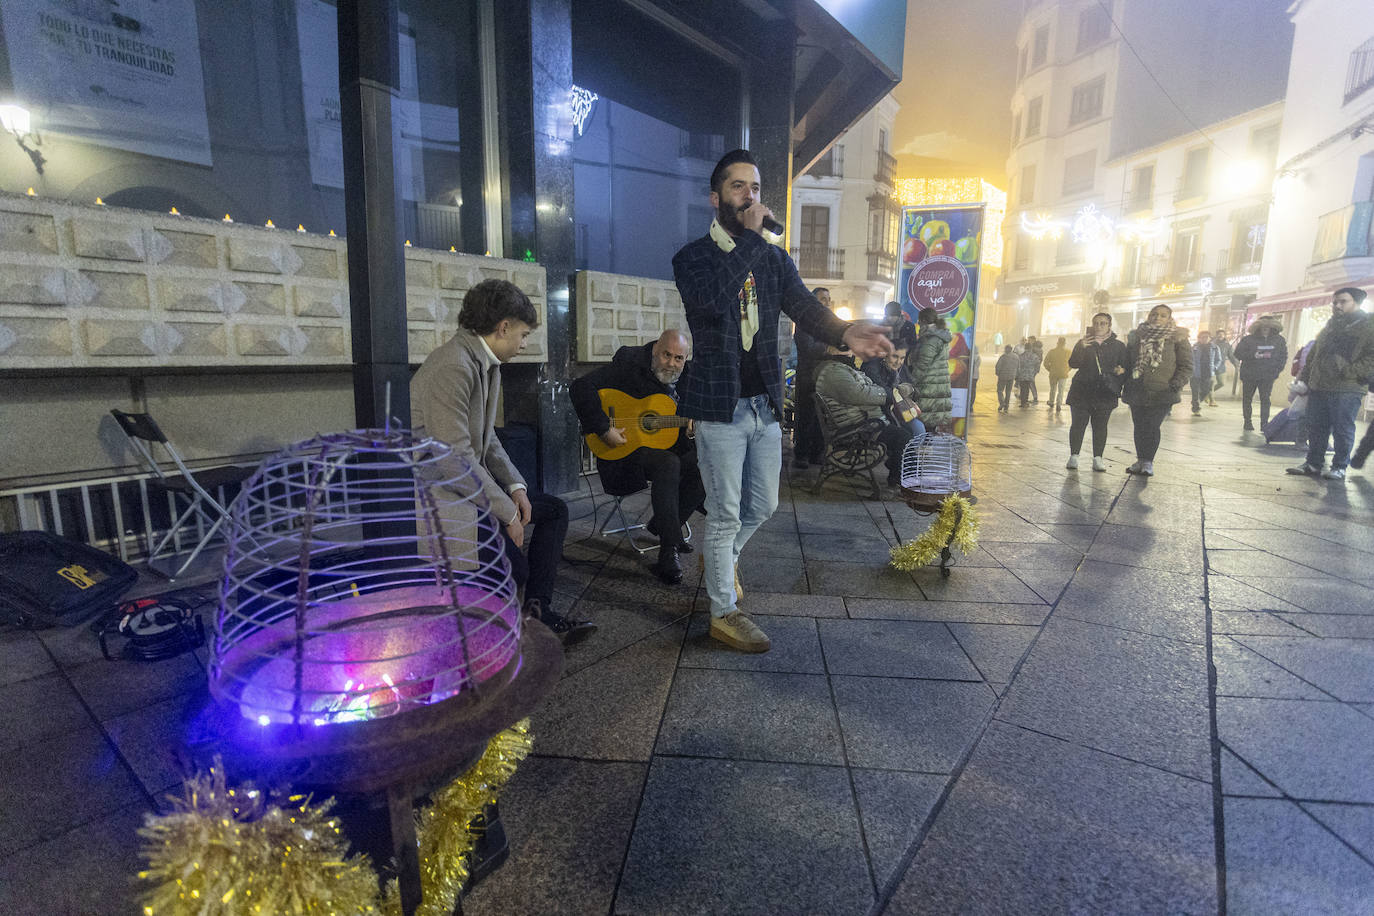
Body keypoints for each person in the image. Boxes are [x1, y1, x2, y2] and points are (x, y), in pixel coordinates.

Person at [673, 148, 891, 652]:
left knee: (765, 505)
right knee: (725, 515)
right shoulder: (693, 258)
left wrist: (846, 330)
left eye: (754, 187)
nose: (749, 195)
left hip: (764, 405)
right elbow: (711, 304)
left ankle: (720, 562)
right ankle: (723, 611)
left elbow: (804, 308)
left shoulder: (772, 258)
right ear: (715, 198)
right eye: (737, 187)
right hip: (719, 408)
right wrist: (750, 238)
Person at [412, 279, 595, 644]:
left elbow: (486, 438)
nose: (525, 344)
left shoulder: (482, 361)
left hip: (465, 488)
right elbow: (454, 457)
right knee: (515, 566)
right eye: (524, 334)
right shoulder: (454, 365)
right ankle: (490, 641)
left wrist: (515, 487)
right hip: (438, 497)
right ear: (504, 327)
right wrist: (506, 512)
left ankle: (539, 616)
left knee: (553, 510)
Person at [570, 330, 704, 585]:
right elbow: (580, 387)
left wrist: (691, 427)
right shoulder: (628, 365)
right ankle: (668, 550)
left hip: (663, 450)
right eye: (666, 355)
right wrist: (602, 428)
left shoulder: (688, 376)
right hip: (623, 453)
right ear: (655, 349)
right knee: (669, 463)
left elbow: (685, 420)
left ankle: (665, 525)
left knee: (706, 461)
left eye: (679, 358)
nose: (672, 364)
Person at [1286, 287, 1374, 481]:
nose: (1337, 306)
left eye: (1343, 301)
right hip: (1320, 385)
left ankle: (1339, 466)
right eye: (1335, 302)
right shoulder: (1331, 325)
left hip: (1347, 387)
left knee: (1342, 428)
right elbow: (1315, 355)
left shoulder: (1368, 326)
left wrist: (1348, 371)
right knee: (1316, 426)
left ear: (1356, 303)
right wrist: (1304, 378)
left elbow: (1371, 357)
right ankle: (1313, 463)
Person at [818, 347, 921, 486]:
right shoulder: (834, 371)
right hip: (856, 427)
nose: (849, 351)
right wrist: (887, 394)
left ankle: (904, 475)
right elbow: (858, 394)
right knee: (903, 437)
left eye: (848, 348)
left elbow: (868, 388)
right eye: (843, 349)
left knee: (906, 432)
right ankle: (901, 480)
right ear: (830, 350)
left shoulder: (841, 368)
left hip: (862, 421)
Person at [1122, 304, 1192, 476]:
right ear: (1149, 316)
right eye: (1154, 314)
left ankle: (1148, 461)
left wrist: (1176, 384)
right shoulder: (1137, 336)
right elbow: (1127, 361)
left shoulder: (1178, 338)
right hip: (1138, 389)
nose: (1157, 318)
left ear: (1169, 318)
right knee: (1139, 426)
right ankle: (1140, 460)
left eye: (1162, 315)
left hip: (1163, 391)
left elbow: (1187, 365)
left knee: (1152, 426)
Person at [1064, 313, 1128, 471]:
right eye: (1096, 323)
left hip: (1105, 392)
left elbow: (1125, 366)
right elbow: (1073, 363)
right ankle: (1074, 456)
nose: (1099, 326)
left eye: (1103, 323)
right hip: (1082, 390)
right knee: (1078, 425)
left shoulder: (1118, 346)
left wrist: (1120, 371)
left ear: (1109, 326)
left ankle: (1098, 458)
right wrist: (1081, 347)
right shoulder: (1084, 342)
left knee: (1100, 426)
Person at [790, 287, 833, 469]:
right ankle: (802, 454)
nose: (827, 302)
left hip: (824, 377)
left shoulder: (829, 321)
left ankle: (818, 453)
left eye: (828, 299)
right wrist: (828, 346)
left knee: (821, 417)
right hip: (808, 376)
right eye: (823, 299)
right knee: (806, 416)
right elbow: (807, 347)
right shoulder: (805, 321)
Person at [1233, 316, 1287, 432]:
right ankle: (1247, 422)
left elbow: (1283, 356)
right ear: (1258, 327)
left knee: (1265, 399)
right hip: (1249, 374)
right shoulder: (1248, 339)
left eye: (1268, 327)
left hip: (1268, 375)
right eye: (1263, 326)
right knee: (1247, 398)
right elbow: (1238, 353)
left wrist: (1277, 371)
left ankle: (1264, 424)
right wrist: (1253, 355)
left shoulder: (1279, 340)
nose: (1265, 329)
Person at [909, 307, 953, 430]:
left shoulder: (931, 339)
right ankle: (927, 446)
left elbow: (922, 365)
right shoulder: (938, 336)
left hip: (929, 386)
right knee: (931, 422)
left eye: (919, 321)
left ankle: (924, 447)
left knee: (926, 421)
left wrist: (911, 382)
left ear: (923, 320)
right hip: (936, 384)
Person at [1188, 330, 1222, 415]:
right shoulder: (1194, 348)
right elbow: (1189, 359)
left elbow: (1219, 359)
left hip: (1208, 373)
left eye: (1207, 337)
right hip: (1196, 373)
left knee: (1206, 391)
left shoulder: (1214, 347)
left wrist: (1215, 367)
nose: (1205, 339)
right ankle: (1196, 408)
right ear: (1199, 338)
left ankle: (1196, 401)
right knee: (1195, 391)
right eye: (1202, 337)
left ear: (1210, 338)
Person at [1044, 337, 1071, 414]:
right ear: (1065, 343)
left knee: (1053, 388)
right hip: (1063, 374)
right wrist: (1067, 370)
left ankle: (1051, 402)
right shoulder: (1068, 352)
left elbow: (1045, 363)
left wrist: (1050, 369)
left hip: (1053, 373)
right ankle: (1059, 404)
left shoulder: (1052, 352)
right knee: (1061, 390)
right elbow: (1072, 363)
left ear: (1057, 343)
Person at [1016, 338, 1042, 408]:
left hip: (1022, 375)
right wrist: (1035, 372)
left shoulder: (1020, 356)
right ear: (1031, 348)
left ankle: (1023, 402)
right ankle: (1025, 402)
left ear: (1025, 348)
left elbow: (1017, 366)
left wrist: (1017, 374)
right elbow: (1038, 365)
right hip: (1030, 375)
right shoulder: (1034, 356)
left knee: (1022, 389)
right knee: (1027, 388)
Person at [994, 345, 1018, 412]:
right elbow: (1018, 367)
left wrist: (997, 373)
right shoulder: (1016, 357)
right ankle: (1006, 406)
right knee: (1008, 392)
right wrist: (1016, 375)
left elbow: (998, 366)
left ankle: (1002, 403)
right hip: (1011, 376)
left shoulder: (1003, 357)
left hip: (1002, 376)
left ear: (1006, 349)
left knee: (1000, 390)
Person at [1213, 329, 1235, 402]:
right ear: (1216, 335)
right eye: (1219, 334)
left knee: (1221, 383)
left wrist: (1236, 364)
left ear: (1224, 336)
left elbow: (1231, 355)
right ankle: (1210, 398)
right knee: (1210, 383)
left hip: (1221, 366)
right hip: (1211, 366)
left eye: (1222, 334)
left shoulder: (1227, 345)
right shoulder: (1211, 343)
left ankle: (1207, 392)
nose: (1220, 336)